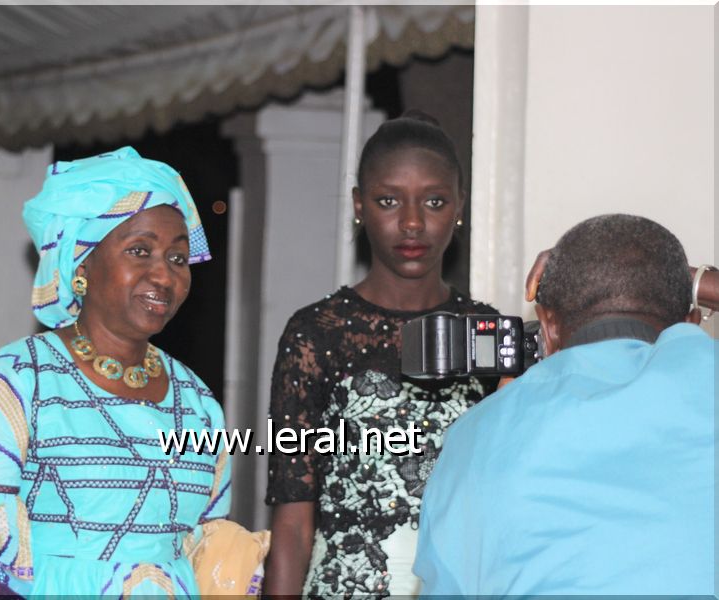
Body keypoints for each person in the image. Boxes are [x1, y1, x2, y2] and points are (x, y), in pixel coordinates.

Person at [0, 147, 232, 597]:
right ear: (81, 265)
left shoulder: (197, 402)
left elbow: (209, 547)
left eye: (177, 259)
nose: (164, 276)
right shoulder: (14, 383)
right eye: (140, 251)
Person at [413, 214, 716, 596]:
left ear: (548, 326)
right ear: (690, 322)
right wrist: (696, 280)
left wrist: (499, 415)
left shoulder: (476, 435)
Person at [263, 112, 499, 597]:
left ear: (459, 207)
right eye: (389, 200)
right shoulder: (314, 335)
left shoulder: (489, 335)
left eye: (434, 201)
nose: (412, 222)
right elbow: (292, 519)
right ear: (359, 205)